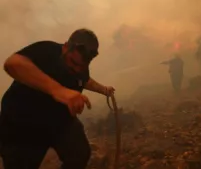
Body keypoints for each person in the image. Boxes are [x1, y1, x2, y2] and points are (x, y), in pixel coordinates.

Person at [0, 28, 115, 169]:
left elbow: (84, 80)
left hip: (58, 121)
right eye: (73, 62)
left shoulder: (80, 67)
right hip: (21, 126)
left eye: (82, 66)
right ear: (66, 46)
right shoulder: (48, 50)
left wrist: (104, 89)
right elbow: (12, 64)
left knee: (79, 154)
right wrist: (58, 90)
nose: (77, 69)